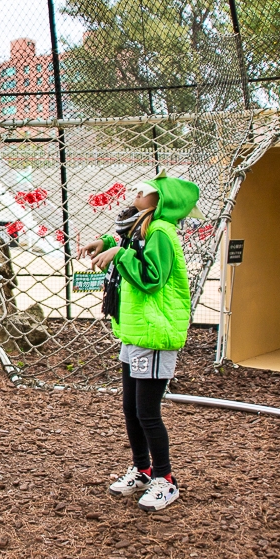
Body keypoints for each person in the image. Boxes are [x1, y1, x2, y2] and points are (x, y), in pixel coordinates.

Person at [78, 171, 200, 513]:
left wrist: (118, 255)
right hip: (135, 332)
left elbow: (151, 277)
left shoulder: (161, 232)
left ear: (160, 201)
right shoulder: (141, 228)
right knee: (131, 408)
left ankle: (165, 479)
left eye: (144, 191)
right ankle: (142, 470)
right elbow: (128, 244)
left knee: (147, 412)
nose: (136, 193)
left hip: (155, 335)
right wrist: (107, 243)